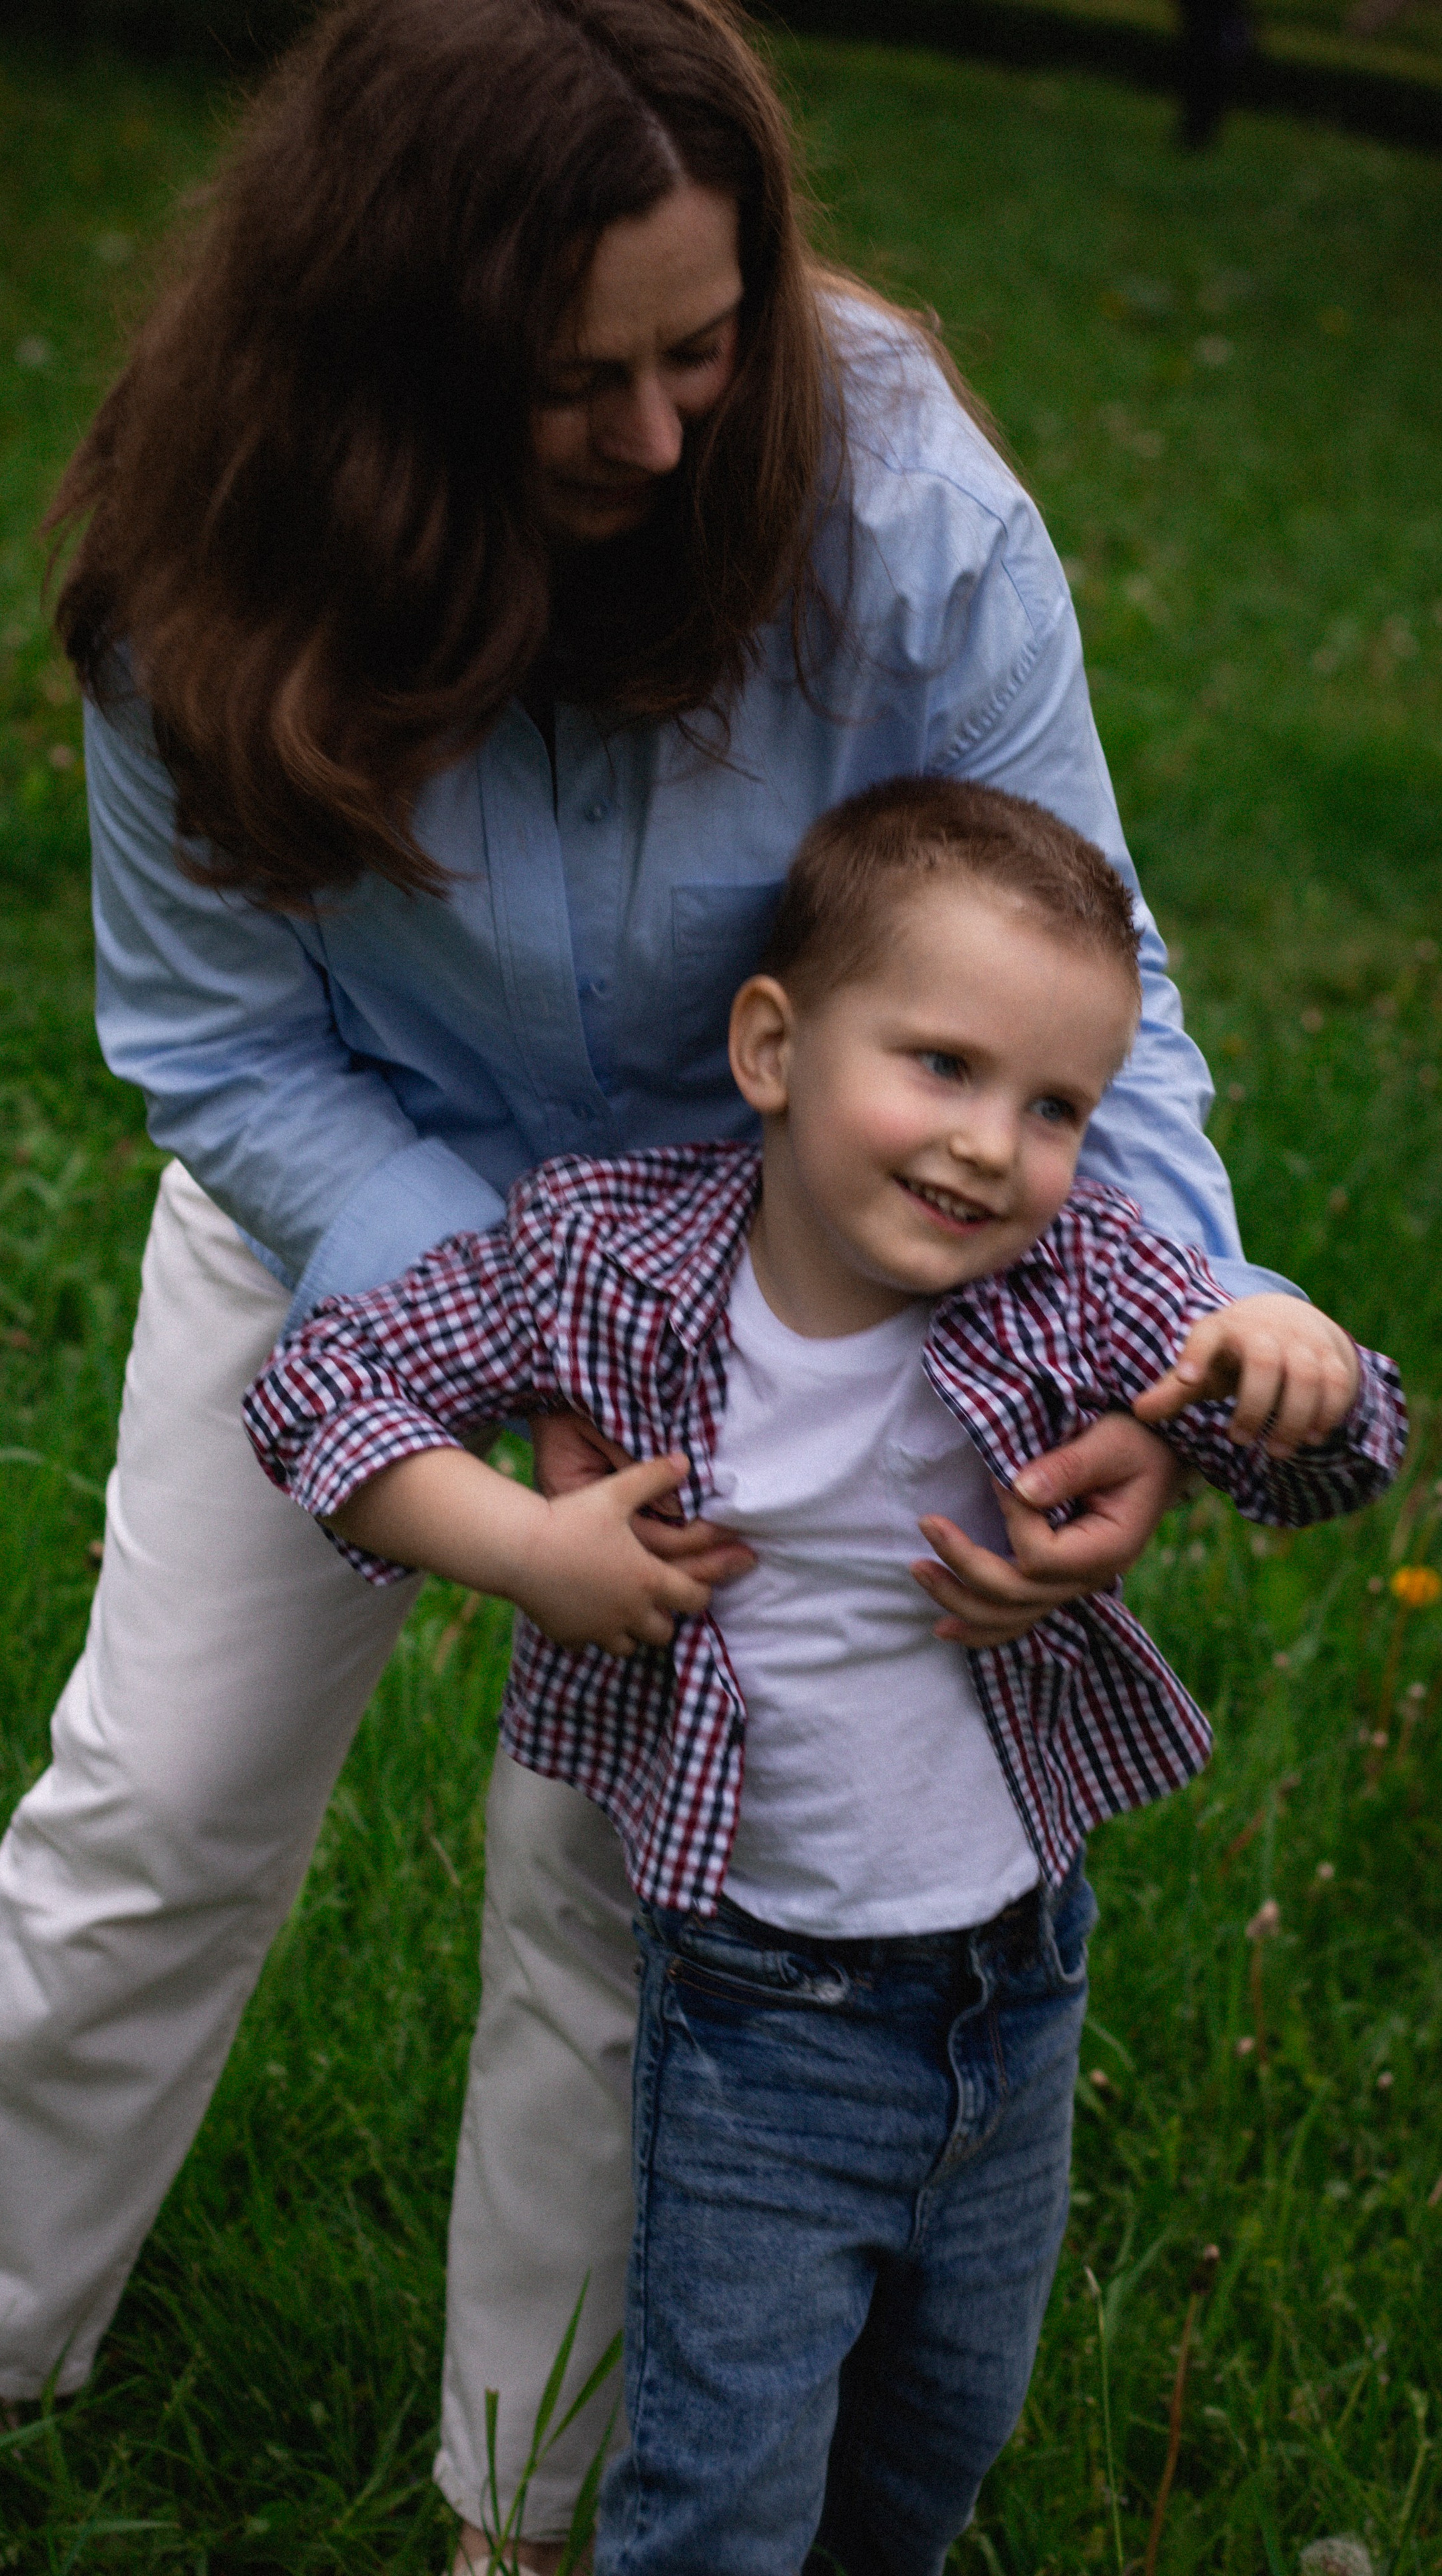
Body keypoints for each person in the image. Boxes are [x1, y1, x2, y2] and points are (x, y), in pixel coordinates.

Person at [0, 0, 1305, 2554]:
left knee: (615, 1879)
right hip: (351, 1203)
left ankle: (526, 2502)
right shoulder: (208, 549)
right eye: (580, 380)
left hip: (792, 1250)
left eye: (709, 347)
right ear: (391, 357)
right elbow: (222, 1046)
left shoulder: (901, 494)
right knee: (162, 1793)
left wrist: (1172, 1345)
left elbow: (1078, 964)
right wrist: (531, 1326)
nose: (666, 436)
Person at [242, 778, 1404, 2575]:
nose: (990, 1148)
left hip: (1016, 1987)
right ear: (772, 1049)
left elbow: (1327, 1466)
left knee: (937, 2437)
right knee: (726, 2466)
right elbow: (319, 1387)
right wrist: (529, 1552)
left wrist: (1290, 1350)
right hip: (758, 2012)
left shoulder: (1077, 1278)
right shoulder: (609, 1259)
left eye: (1056, 1107)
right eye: (941, 1066)